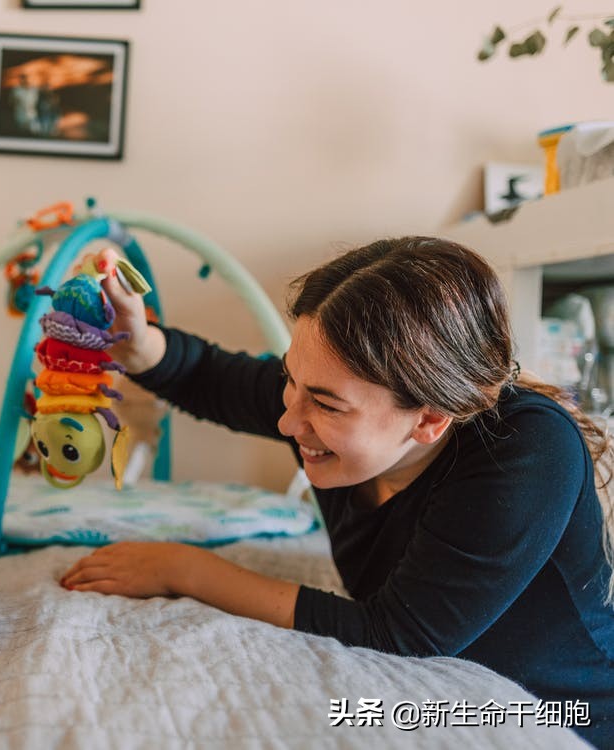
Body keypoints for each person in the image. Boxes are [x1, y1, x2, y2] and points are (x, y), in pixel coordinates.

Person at [60, 238, 614, 746]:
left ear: (431, 419)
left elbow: (396, 632)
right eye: (291, 383)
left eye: (325, 405)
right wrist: (134, 342)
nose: (286, 421)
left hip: (563, 712)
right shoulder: (330, 401)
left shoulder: (528, 450)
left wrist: (185, 569)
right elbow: (211, 377)